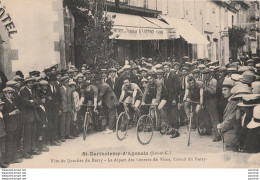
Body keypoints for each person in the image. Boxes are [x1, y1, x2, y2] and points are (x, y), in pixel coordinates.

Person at [2, 87, 23, 165]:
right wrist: (11, 113)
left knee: (14, 141)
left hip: (14, 124)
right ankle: (7, 159)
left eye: (11, 93)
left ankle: (14, 158)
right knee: (9, 142)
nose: (10, 95)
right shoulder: (3, 102)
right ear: (5, 94)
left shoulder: (13, 101)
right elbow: (2, 115)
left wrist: (17, 111)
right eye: (8, 93)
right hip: (8, 125)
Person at [20, 77, 39, 159]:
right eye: (29, 83)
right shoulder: (23, 91)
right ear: (25, 83)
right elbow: (26, 103)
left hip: (34, 115)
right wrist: (33, 102)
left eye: (31, 82)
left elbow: (38, 100)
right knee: (27, 134)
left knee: (33, 132)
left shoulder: (33, 91)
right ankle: (25, 152)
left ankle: (32, 149)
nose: (30, 84)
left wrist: (33, 101)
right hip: (27, 116)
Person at [217, 78, 239, 151]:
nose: (223, 92)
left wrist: (221, 127)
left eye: (225, 90)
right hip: (229, 134)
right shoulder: (230, 101)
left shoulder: (234, 102)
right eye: (222, 90)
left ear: (232, 90)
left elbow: (231, 119)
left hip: (232, 135)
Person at [202, 68, 221, 142]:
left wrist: (205, 88)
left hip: (212, 101)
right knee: (207, 116)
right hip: (207, 101)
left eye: (207, 74)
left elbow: (213, 92)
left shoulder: (213, 81)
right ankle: (208, 130)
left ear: (210, 74)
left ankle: (217, 135)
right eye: (204, 74)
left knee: (214, 118)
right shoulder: (205, 81)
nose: (206, 75)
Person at [162, 62, 180, 138]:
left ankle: (176, 131)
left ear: (169, 67)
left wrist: (175, 99)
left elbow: (176, 88)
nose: (165, 68)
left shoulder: (174, 75)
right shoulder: (165, 75)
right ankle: (172, 129)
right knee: (169, 114)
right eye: (164, 67)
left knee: (174, 114)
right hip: (168, 98)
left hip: (173, 98)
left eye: (167, 67)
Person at [59, 76, 75, 142]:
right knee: (62, 122)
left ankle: (67, 134)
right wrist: (60, 108)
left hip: (69, 108)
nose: (67, 83)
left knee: (68, 121)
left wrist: (72, 107)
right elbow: (59, 100)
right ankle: (62, 136)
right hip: (63, 108)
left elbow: (72, 99)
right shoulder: (59, 89)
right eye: (65, 82)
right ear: (62, 82)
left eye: (67, 81)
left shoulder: (70, 89)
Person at [0, 99, 8, 168]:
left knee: (2, 148)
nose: (2, 106)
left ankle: (1, 162)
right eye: (0, 105)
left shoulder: (1, 113)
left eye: (2, 105)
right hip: (0, 133)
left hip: (2, 132)